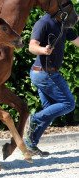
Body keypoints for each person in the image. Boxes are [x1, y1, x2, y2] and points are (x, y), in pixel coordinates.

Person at [24, 13, 79, 157]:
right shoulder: (43, 23)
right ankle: (34, 119)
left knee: (49, 110)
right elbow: (31, 46)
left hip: (44, 73)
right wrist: (43, 50)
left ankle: (31, 145)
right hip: (44, 73)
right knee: (68, 104)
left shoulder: (63, 24)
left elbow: (77, 41)